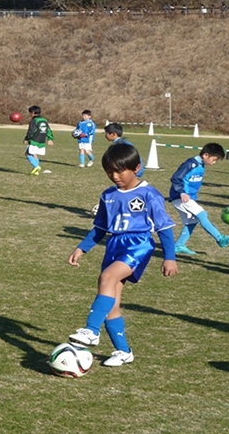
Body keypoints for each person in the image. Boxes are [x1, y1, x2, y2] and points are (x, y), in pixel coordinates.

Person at [68, 142, 178, 367]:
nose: (114, 176)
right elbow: (100, 228)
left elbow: (164, 228)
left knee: (107, 278)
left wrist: (170, 257)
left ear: (136, 168)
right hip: (114, 245)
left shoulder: (149, 194)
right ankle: (124, 352)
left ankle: (91, 330)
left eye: (119, 170)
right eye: (109, 171)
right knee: (112, 306)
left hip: (138, 244)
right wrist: (82, 248)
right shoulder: (108, 195)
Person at [168, 142, 229, 255]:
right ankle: (220, 238)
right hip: (180, 197)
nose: (214, 162)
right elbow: (176, 178)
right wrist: (182, 192)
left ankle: (178, 245)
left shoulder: (201, 165)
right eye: (214, 159)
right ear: (206, 155)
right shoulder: (190, 163)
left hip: (187, 197)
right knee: (202, 214)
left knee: (192, 222)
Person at [23, 105, 54, 175]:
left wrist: (26, 138)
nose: (30, 114)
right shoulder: (44, 120)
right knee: (35, 154)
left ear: (33, 113)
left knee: (27, 153)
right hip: (42, 141)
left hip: (34, 140)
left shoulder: (34, 120)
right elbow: (48, 130)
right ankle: (36, 171)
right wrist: (50, 139)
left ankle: (36, 166)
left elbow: (31, 131)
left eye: (30, 113)